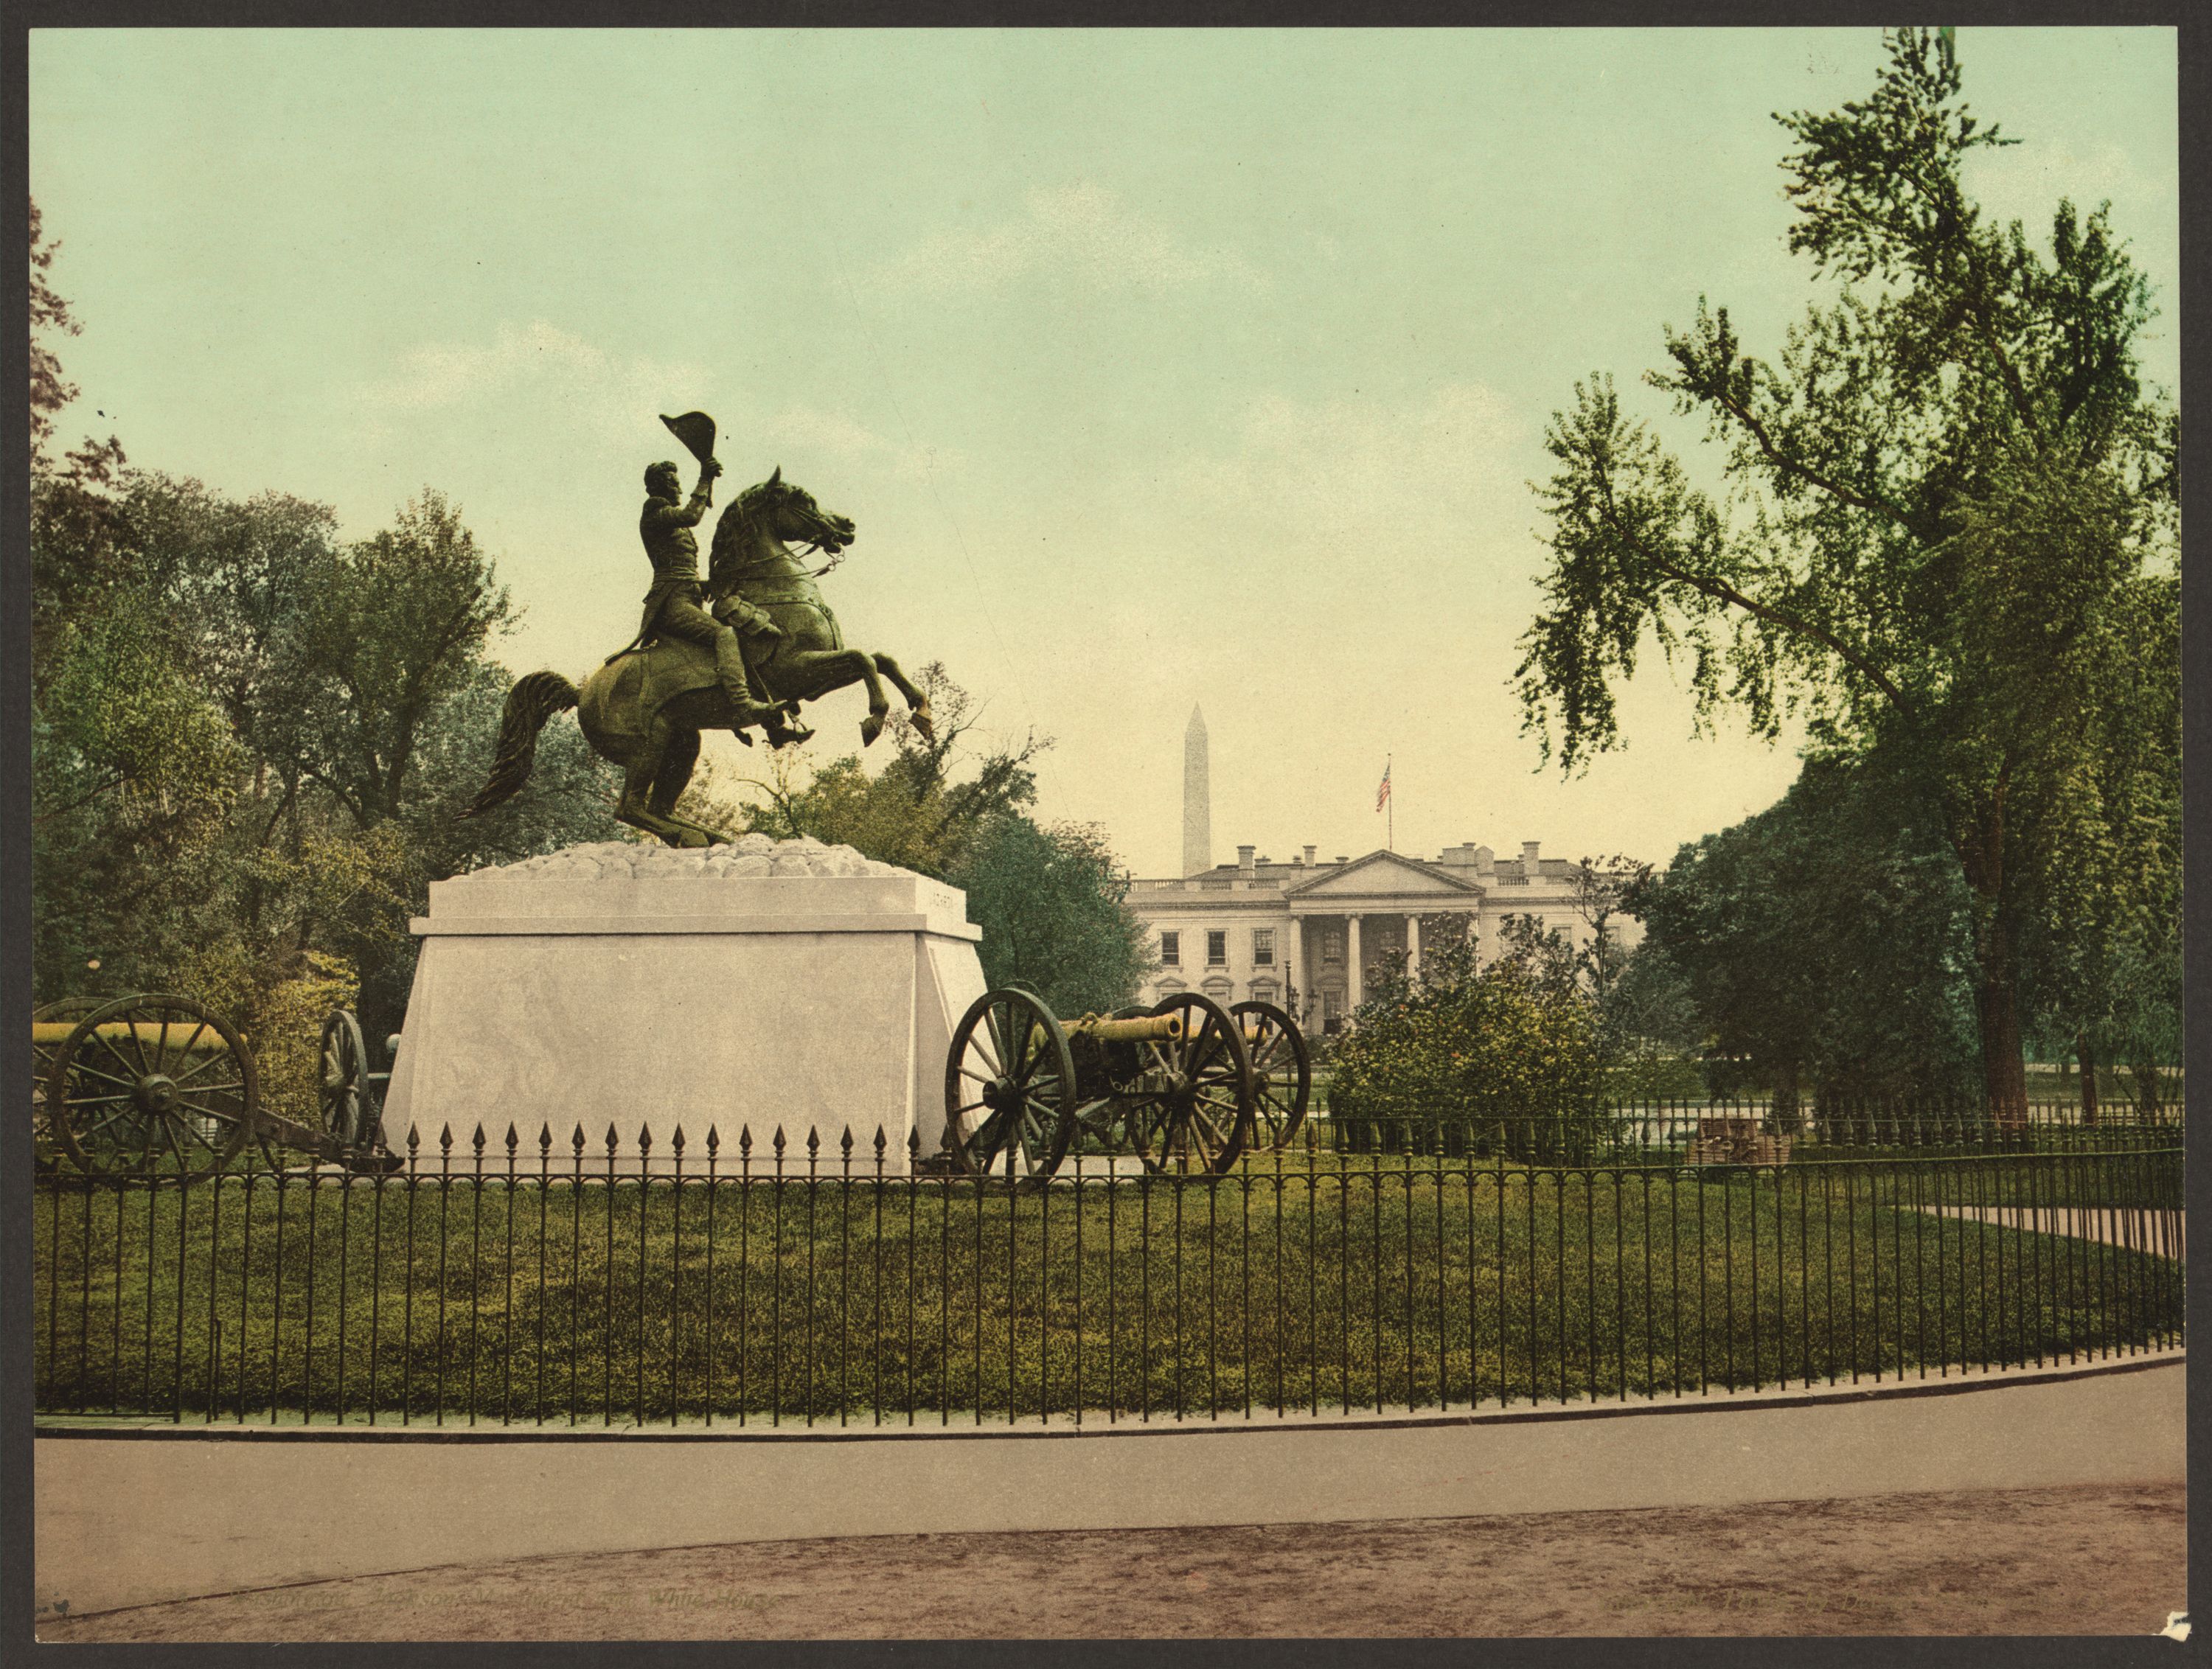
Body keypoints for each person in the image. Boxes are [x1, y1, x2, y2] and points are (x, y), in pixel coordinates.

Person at [634, 456, 782, 725]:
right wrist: (704, 478)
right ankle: (743, 703)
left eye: (680, 485)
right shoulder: (655, 513)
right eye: (675, 485)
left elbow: (682, 568)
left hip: (688, 596)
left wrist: (704, 585)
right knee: (724, 634)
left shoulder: (669, 522)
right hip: (672, 605)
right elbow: (692, 515)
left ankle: (772, 720)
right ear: (661, 487)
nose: (679, 490)